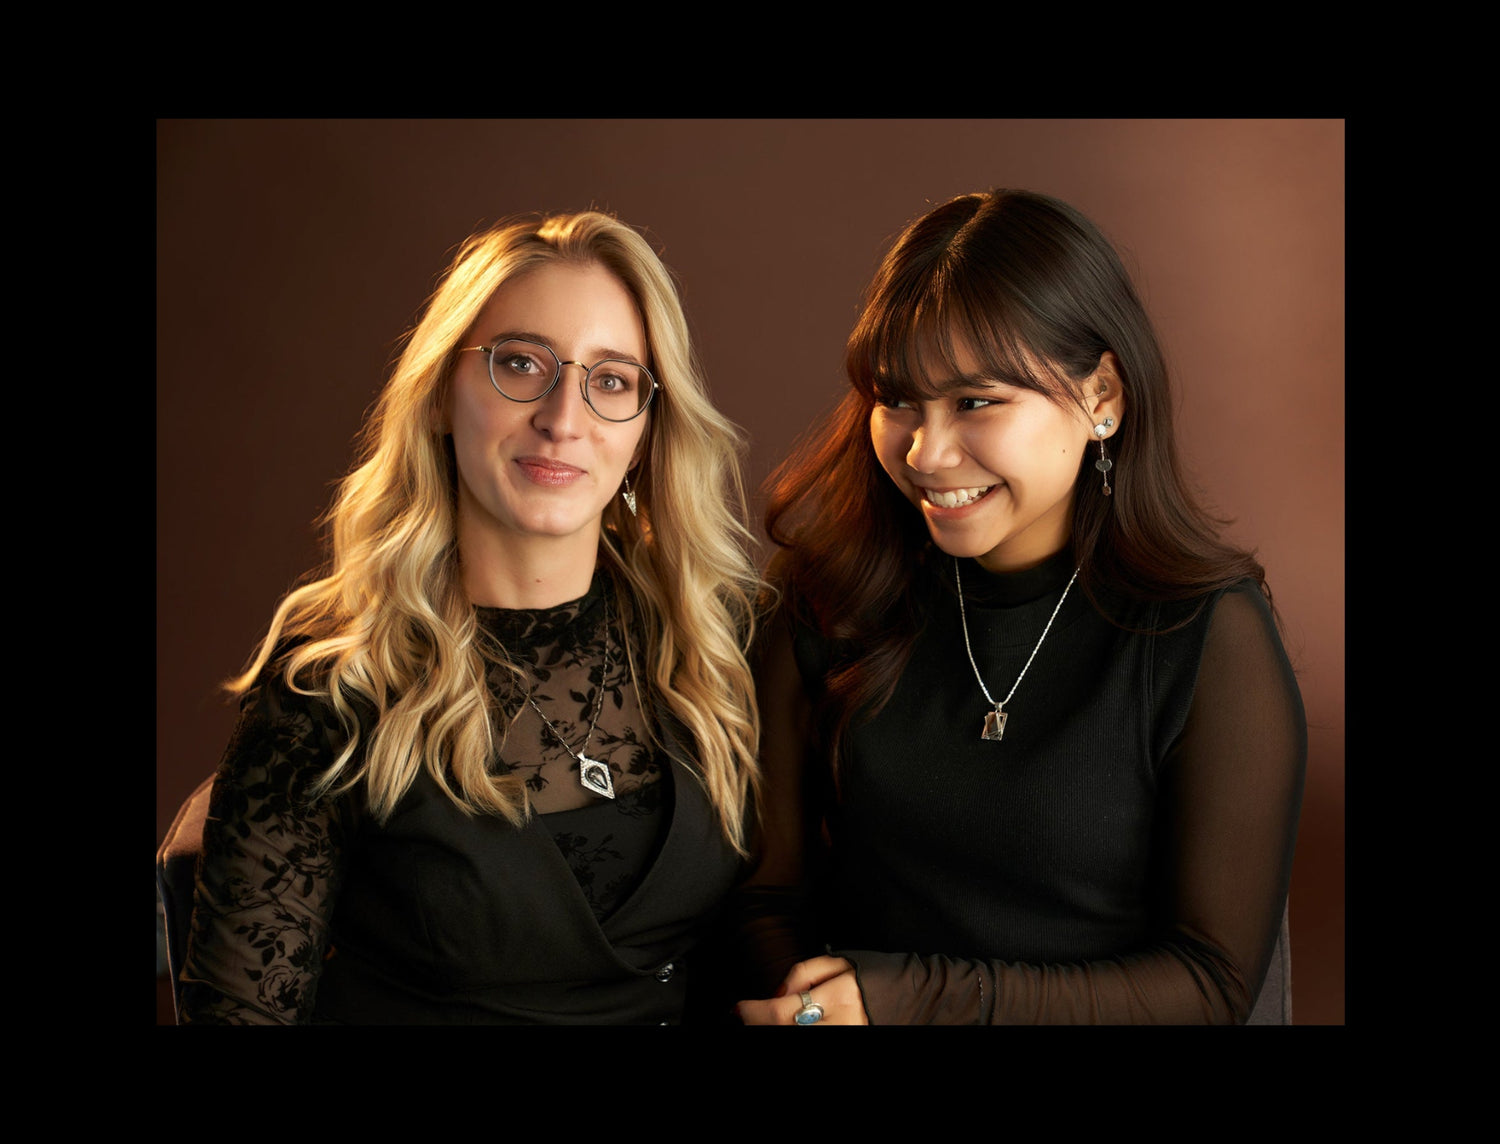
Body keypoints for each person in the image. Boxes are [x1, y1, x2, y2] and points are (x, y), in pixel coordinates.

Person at [733, 189, 1306, 1025]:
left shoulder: (1209, 635)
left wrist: (910, 1003)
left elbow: (1210, 986)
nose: (927, 453)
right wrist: (810, 1013)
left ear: (1101, 397)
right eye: (897, 401)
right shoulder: (828, 600)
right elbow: (763, 902)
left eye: (975, 402)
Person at [177, 209, 763, 1024]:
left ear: (647, 432)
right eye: (520, 364)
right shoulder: (334, 681)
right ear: (442, 397)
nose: (564, 418)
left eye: (612, 379)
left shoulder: (712, 638)